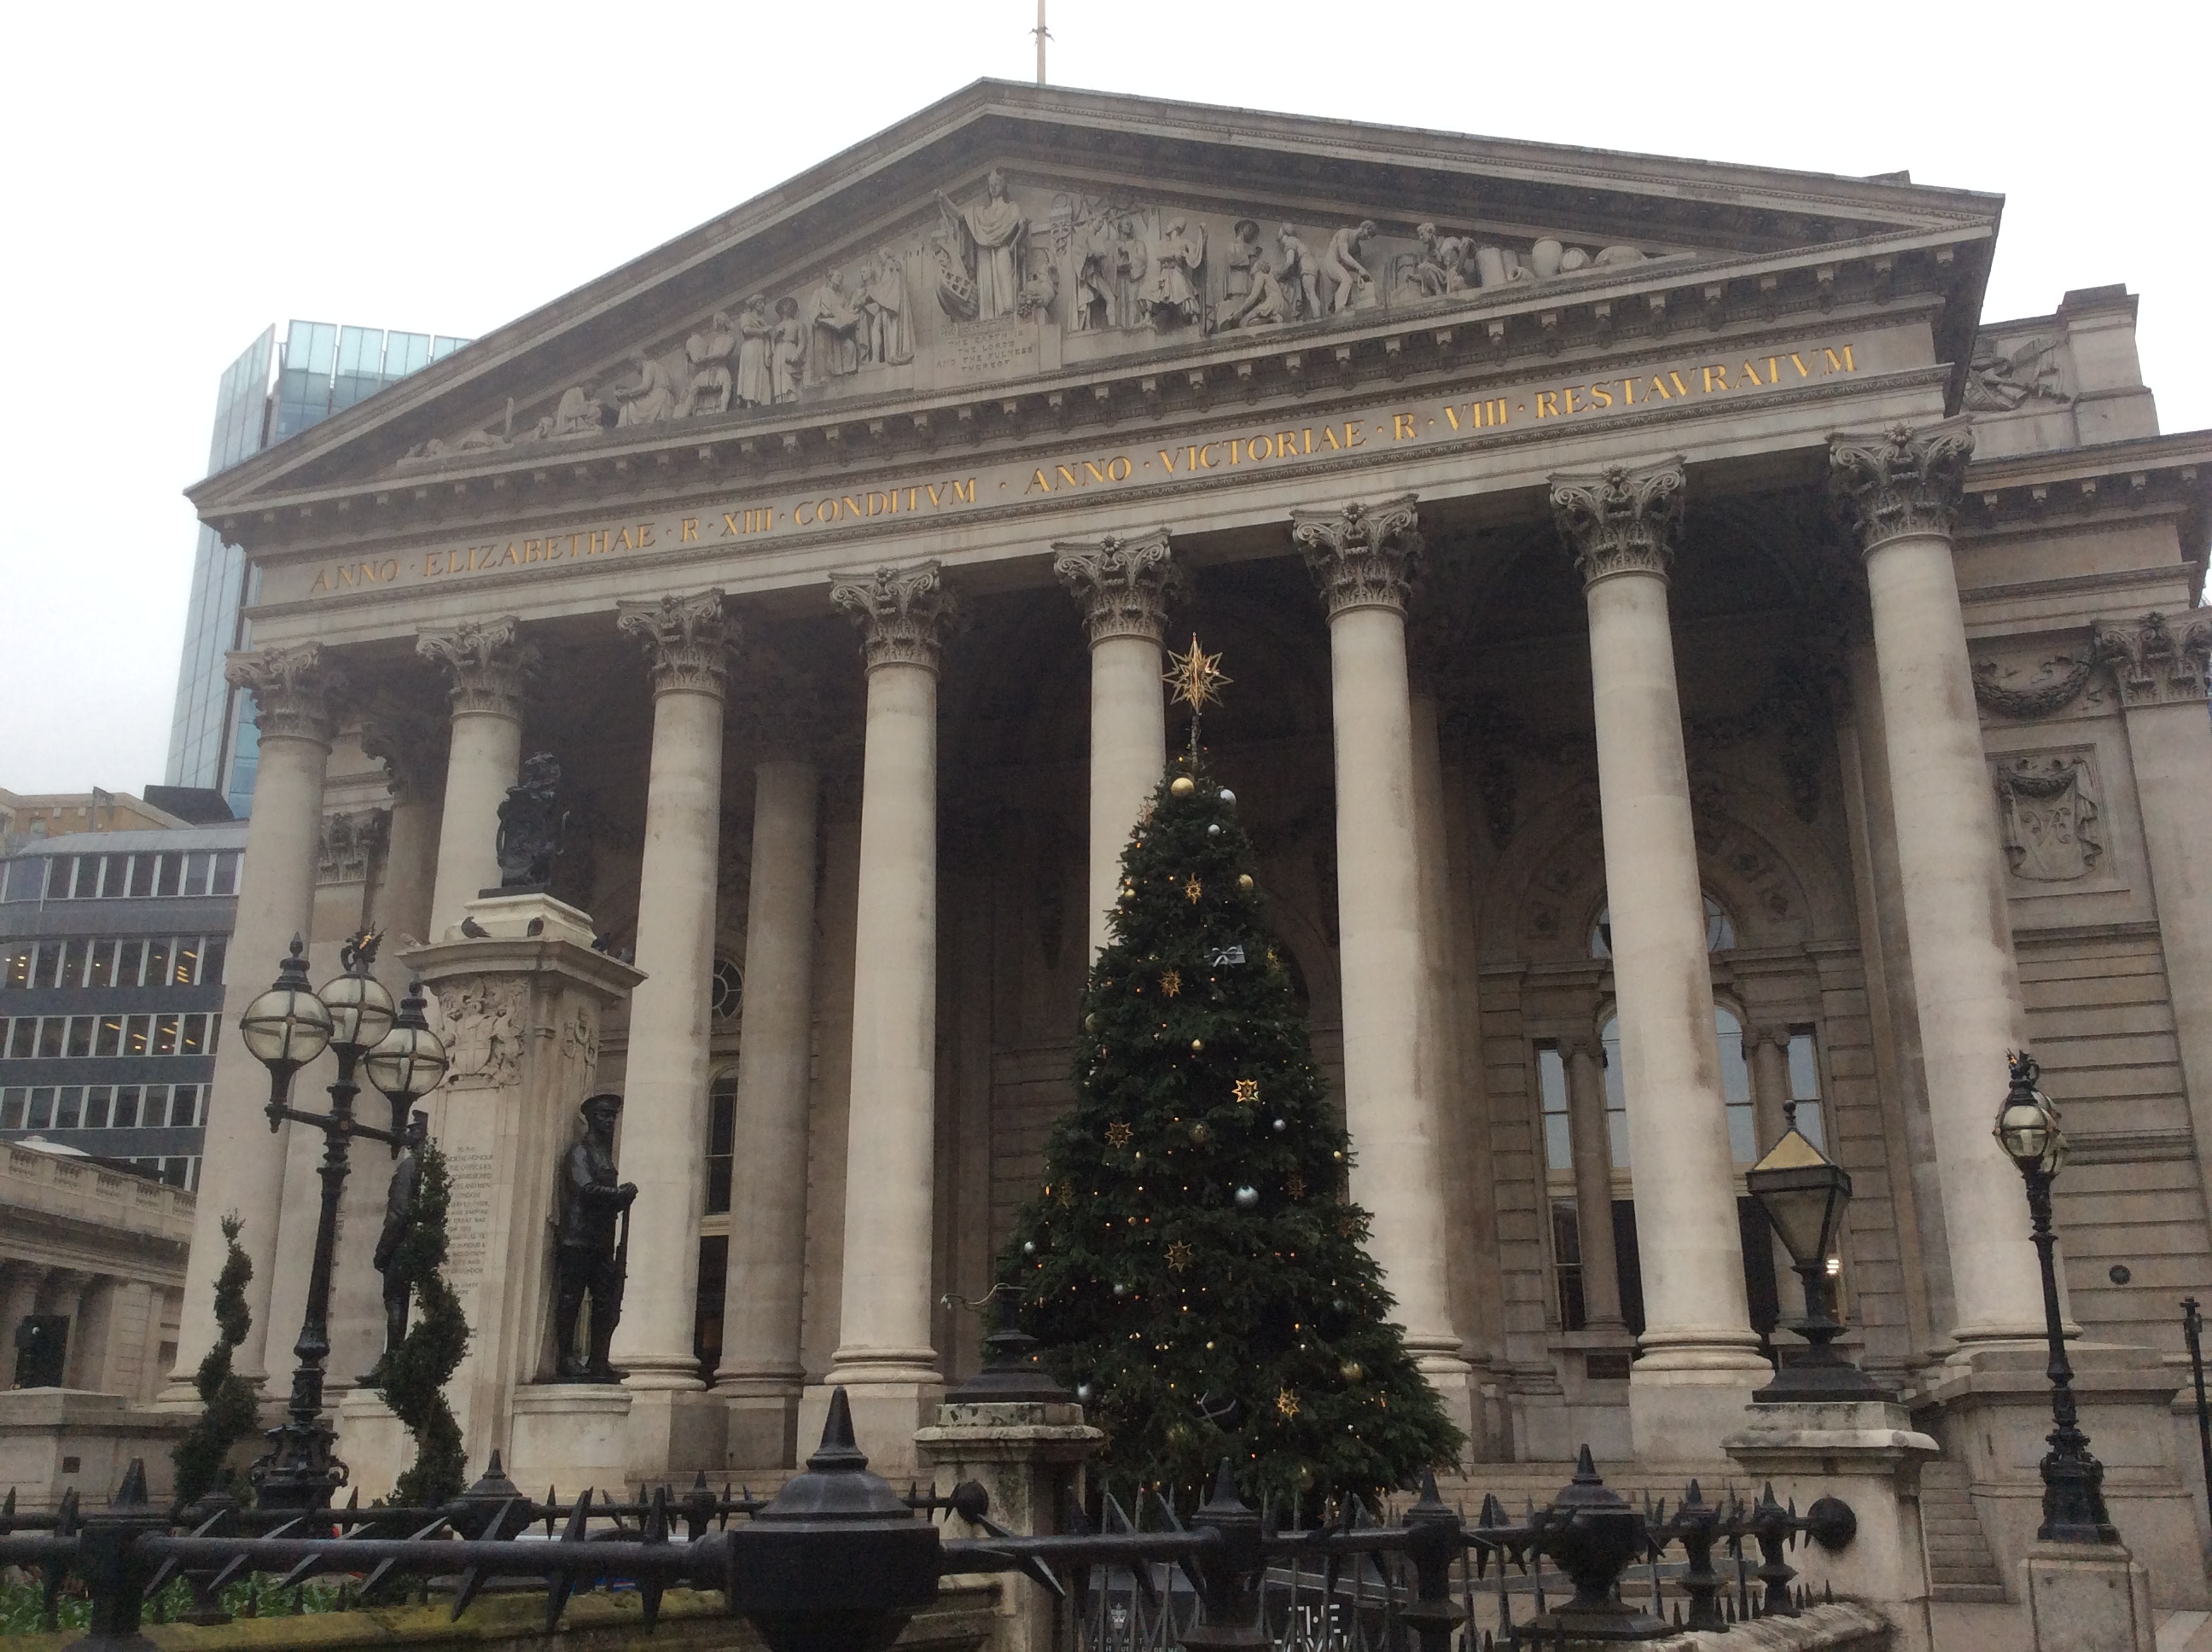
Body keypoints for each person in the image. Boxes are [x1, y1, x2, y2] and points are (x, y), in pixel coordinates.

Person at [551, 1093, 637, 1382]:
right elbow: (584, 1189)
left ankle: (599, 1359)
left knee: (605, 1300)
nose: (610, 1121)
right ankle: (565, 1359)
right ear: (590, 1118)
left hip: (601, 1241)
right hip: (577, 1238)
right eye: (604, 1115)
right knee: (571, 1299)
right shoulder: (580, 1152)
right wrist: (618, 1195)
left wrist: (620, 1198)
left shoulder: (604, 1153)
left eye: (613, 1116)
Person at [371, 1112, 430, 1363]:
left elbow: (398, 1211)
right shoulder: (432, 1165)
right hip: (423, 1245)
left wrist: (383, 1251)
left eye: (415, 1131)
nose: (409, 1136)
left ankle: (393, 1355)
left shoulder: (409, 1166)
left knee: (395, 1298)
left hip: (403, 1245)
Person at [934, 169, 1028, 320]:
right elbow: (959, 215)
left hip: (1003, 248)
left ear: (1003, 186)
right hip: (984, 251)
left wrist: (1023, 224)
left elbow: (1019, 224)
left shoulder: (1011, 208)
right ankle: (987, 317)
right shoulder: (981, 213)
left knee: (1004, 274)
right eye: (990, 185)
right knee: (986, 286)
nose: (993, 188)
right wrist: (944, 199)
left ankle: (1008, 312)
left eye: (996, 184)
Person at [1321, 220, 1377, 313]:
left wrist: (1365, 276)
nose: (1368, 238)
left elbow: (1355, 268)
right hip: (1331, 262)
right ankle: (1339, 309)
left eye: (1370, 237)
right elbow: (1344, 255)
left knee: (1354, 280)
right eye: (1369, 233)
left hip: (1341, 268)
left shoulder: (1357, 248)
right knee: (1347, 280)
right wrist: (1360, 268)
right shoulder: (1345, 233)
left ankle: (1341, 304)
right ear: (1364, 228)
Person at [736, 295, 774, 407]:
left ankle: (762, 399)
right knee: (751, 373)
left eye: (763, 303)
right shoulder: (746, 316)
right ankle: (750, 401)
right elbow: (746, 330)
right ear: (753, 305)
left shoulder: (763, 321)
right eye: (760, 303)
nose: (763, 305)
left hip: (761, 347)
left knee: (762, 372)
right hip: (751, 347)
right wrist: (762, 331)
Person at [771, 297, 806, 402]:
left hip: (790, 349)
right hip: (778, 353)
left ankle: (792, 399)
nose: (787, 308)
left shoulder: (798, 324)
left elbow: (802, 342)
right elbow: (770, 344)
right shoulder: (776, 327)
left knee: (790, 379)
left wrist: (797, 355)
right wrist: (775, 336)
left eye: (790, 305)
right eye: (785, 305)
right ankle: (780, 400)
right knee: (778, 378)